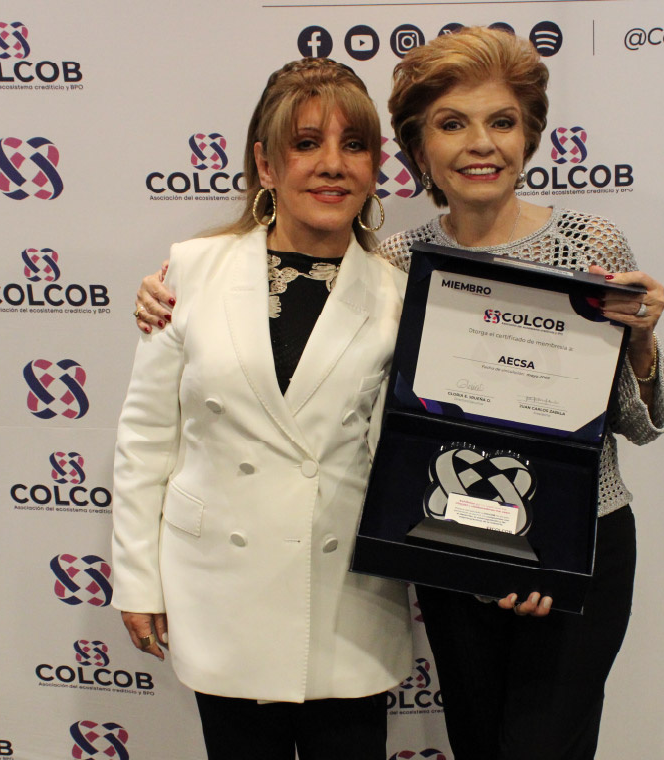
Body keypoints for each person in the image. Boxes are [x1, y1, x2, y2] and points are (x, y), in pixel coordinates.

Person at [133, 27, 664, 760]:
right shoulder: (398, 261)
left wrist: (642, 341)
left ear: (529, 137)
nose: (480, 144)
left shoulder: (590, 245)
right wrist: (162, 297)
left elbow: (643, 423)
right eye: (452, 125)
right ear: (418, 151)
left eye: (502, 122)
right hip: (455, 543)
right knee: (477, 744)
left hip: (574, 544)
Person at [112, 57, 412, 760]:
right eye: (306, 144)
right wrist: (137, 579)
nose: (332, 164)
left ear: (375, 168)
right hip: (221, 590)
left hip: (345, 596)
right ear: (267, 164)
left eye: (354, 145)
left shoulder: (400, 294)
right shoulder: (190, 271)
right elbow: (146, 440)